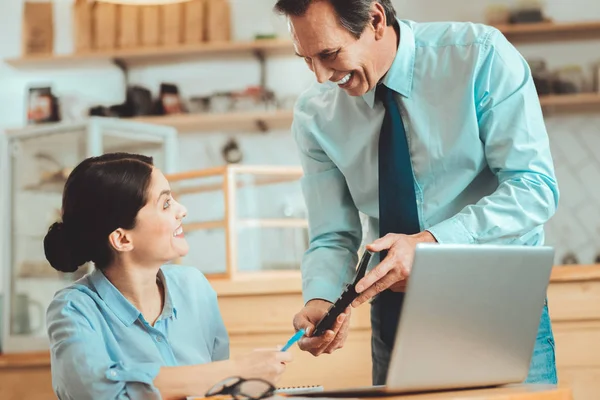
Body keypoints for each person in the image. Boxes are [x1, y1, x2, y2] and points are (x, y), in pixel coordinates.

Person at [273, 0, 559, 386]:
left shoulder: (479, 56)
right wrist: (322, 300)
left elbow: (533, 188)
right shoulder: (315, 113)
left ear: (375, 19)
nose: (321, 76)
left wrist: (431, 243)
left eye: (329, 54)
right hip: (396, 313)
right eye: (306, 59)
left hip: (496, 305)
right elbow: (333, 234)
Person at [43, 153, 292, 400]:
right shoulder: (73, 309)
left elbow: (216, 392)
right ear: (122, 238)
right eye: (165, 204)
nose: (182, 210)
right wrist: (237, 370)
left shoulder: (194, 286)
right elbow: (99, 391)